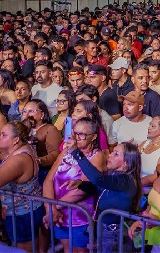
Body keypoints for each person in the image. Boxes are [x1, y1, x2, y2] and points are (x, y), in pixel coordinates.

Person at [65, 141, 142, 253]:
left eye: (116, 154)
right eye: (112, 152)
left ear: (126, 163)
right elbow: (100, 188)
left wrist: (77, 153)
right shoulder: (114, 173)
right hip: (105, 228)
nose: (110, 155)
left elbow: (98, 179)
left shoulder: (126, 180)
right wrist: (81, 184)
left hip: (114, 233)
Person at [43, 117, 106, 253]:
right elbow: (48, 180)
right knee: (67, 250)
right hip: (58, 214)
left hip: (80, 216)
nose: (77, 138)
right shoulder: (66, 151)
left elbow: (81, 191)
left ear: (94, 137)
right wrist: (50, 209)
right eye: (75, 133)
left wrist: (53, 209)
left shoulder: (97, 156)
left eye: (82, 134)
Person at [0, 121, 45, 252]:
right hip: (27, 209)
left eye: (3, 135)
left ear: (16, 140)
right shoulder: (23, 148)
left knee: (24, 250)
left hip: (21, 214)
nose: (0, 137)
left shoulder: (18, 160)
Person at [21, 98, 61, 185]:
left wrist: (37, 161)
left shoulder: (50, 129)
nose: (27, 114)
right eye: (24, 111)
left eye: (31, 111)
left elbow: (55, 155)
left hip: (42, 172)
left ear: (42, 114)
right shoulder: (22, 130)